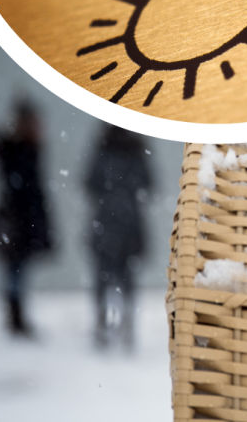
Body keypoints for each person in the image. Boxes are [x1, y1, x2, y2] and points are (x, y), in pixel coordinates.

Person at [0, 99, 53, 337]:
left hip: (23, 217)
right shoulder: (17, 149)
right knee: (15, 268)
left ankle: (16, 314)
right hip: (17, 218)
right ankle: (15, 315)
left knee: (17, 268)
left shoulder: (26, 149)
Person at [83, 123, 153, 350]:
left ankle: (105, 322)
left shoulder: (103, 148)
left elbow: (89, 183)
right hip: (128, 223)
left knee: (104, 278)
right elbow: (149, 183)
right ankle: (125, 323)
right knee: (126, 277)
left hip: (106, 222)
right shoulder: (137, 149)